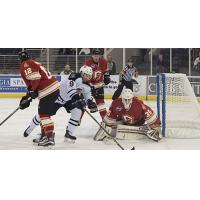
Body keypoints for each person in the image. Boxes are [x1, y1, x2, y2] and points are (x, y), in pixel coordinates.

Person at [23, 65, 98, 143]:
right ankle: (32, 128)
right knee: (44, 114)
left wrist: (90, 103)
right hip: (56, 96)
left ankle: (69, 133)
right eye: (86, 75)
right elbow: (71, 90)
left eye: (89, 76)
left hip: (68, 100)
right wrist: (79, 100)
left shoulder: (88, 86)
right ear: (81, 73)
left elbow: (88, 96)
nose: (87, 77)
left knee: (77, 111)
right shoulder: (73, 77)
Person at [18, 51, 60, 147]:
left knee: (44, 114)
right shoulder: (33, 62)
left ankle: (49, 138)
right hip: (52, 89)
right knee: (43, 114)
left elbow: (35, 78)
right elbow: (34, 83)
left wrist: (32, 91)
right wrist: (27, 97)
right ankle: (45, 136)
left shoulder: (25, 64)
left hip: (48, 90)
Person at [94, 89, 161, 142]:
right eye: (125, 99)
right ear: (122, 98)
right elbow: (109, 118)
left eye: (129, 99)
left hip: (138, 121)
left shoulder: (138, 104)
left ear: (132, 98)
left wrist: (156, 128)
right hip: (124, 120)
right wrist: (106, 126)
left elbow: (150, 115)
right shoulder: (115, 103)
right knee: (113, 126)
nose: (127, 101)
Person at [84, 48, 111, 120]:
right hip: (89, 85)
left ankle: (104, 119)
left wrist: (107, 76)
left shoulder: (103, 61)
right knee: (85, 102)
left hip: (99, 85)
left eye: (98, 55)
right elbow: (85, 75)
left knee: (101, 103)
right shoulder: (87, 62)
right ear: (92, 55)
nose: (96, 57)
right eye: (95, 55)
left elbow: (105, 72)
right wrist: (89, 85)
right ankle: (77, 120)